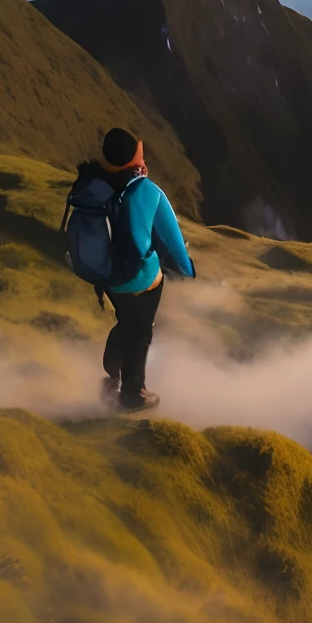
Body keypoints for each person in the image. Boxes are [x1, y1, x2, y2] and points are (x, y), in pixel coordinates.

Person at [92, 127, 195, 412]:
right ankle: (132, 394)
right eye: (141, 154)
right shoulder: (149, 192)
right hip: (141, 279)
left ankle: (111, 374)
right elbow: (173, 239)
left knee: (126, 321)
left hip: (106, 277)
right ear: (134, 159)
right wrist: (187, 269)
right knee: (141, 332)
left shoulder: (95, 185)